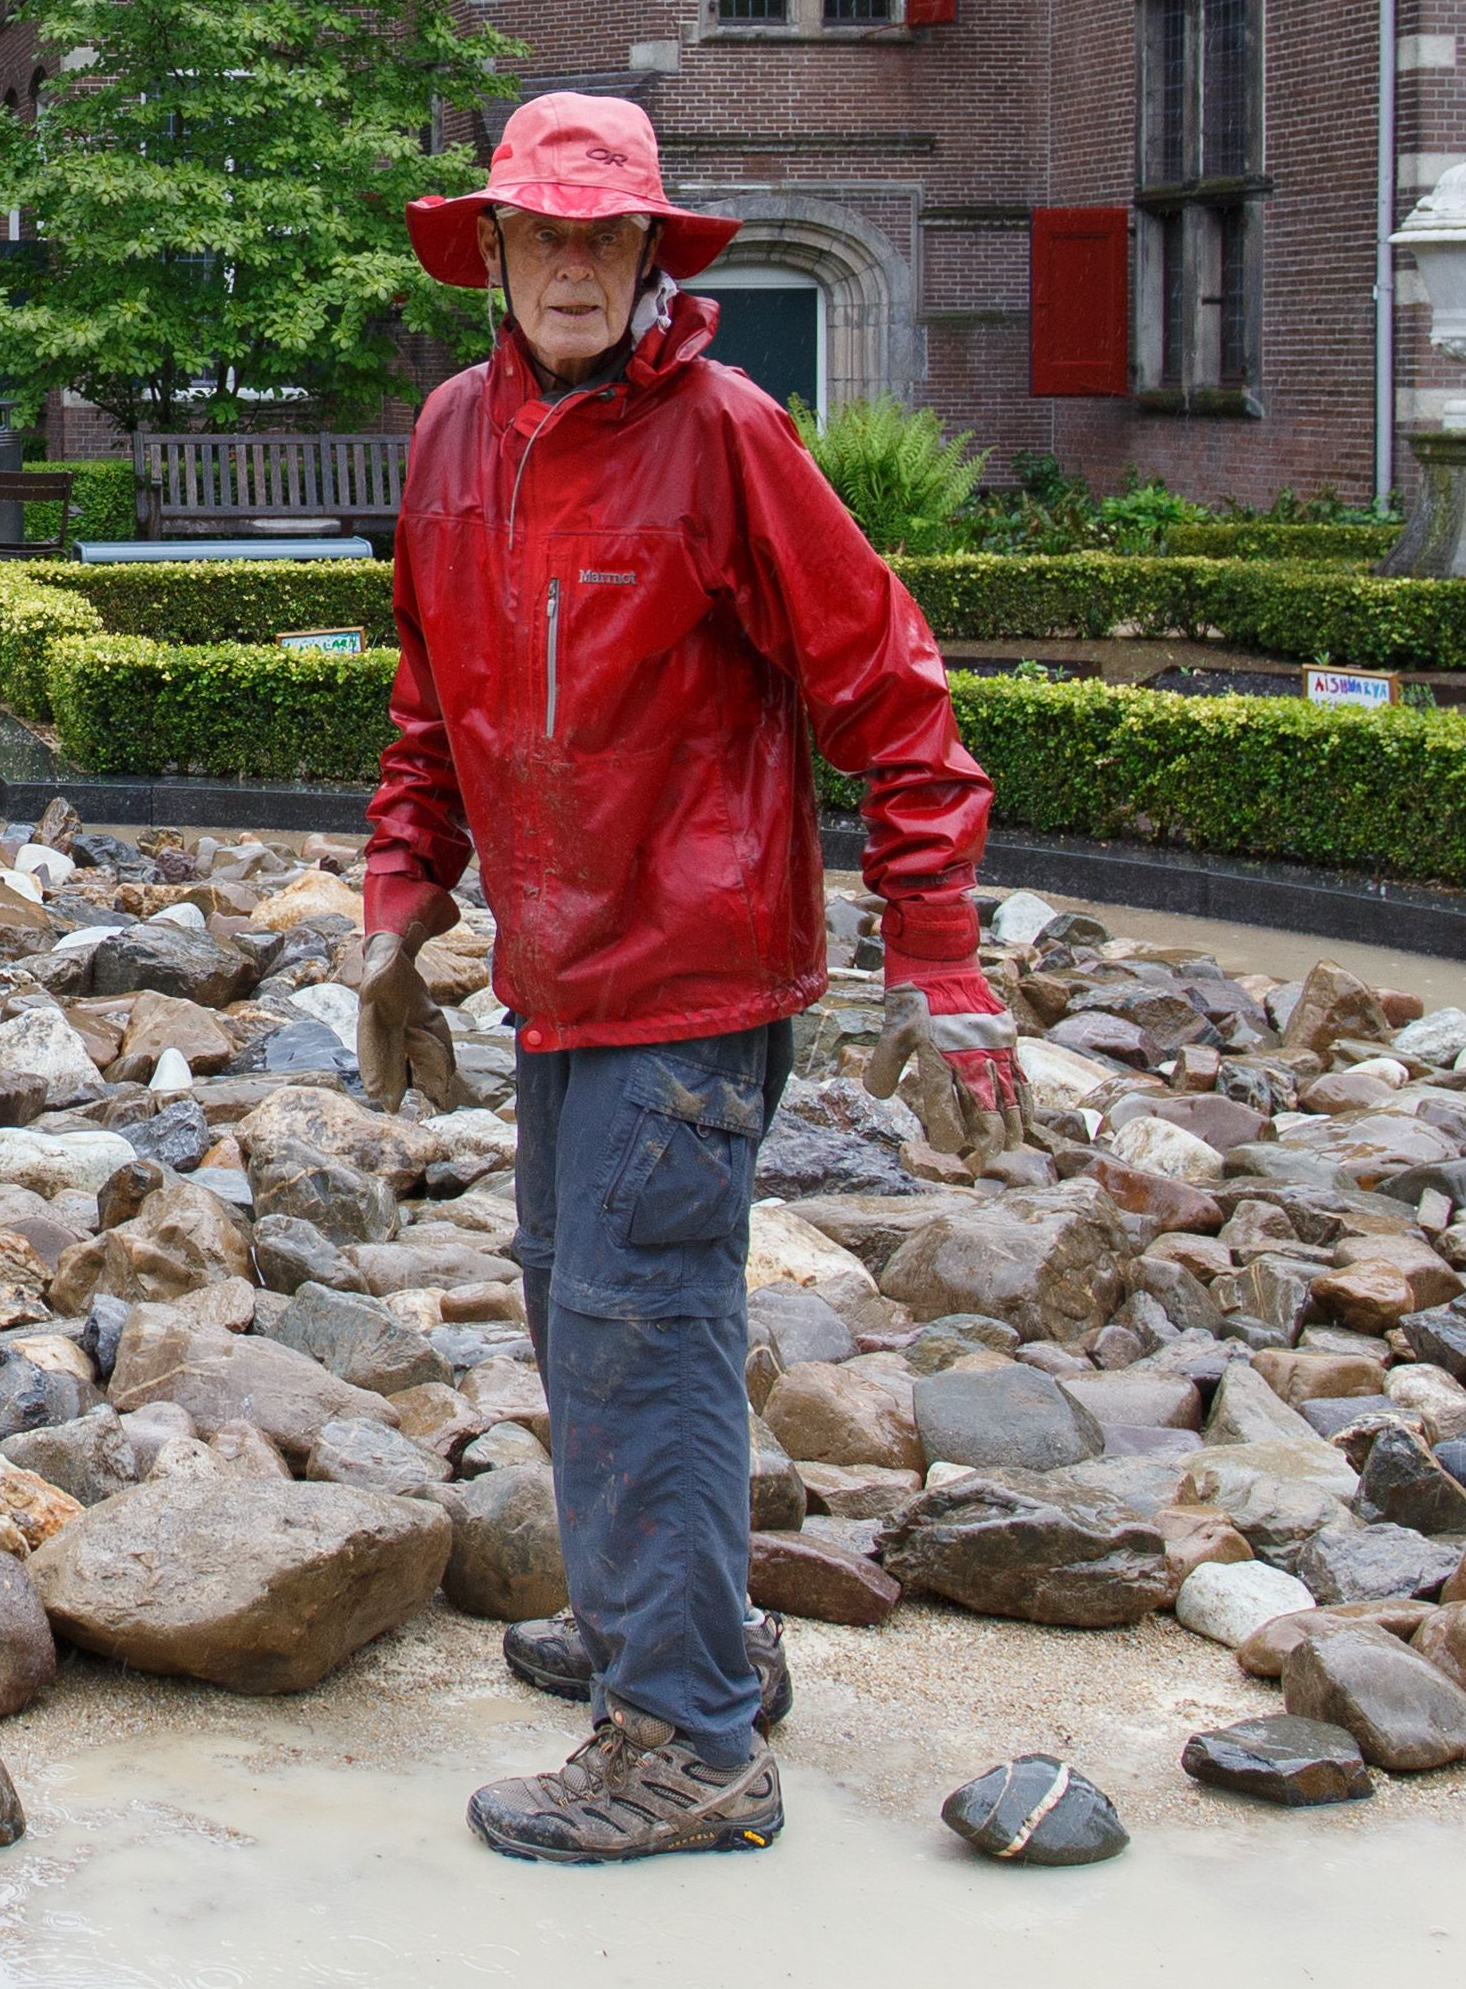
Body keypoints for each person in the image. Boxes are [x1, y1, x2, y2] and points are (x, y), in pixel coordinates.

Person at [346, 90, 1013, 1865]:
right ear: (487, 250)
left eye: (605, 234)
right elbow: (430, 707)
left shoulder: (725, 434)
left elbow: (899, 698)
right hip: (559, 972)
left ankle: (689, 1742)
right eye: (542, 233)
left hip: (697, 972)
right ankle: (682, 1624)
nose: (573, 263)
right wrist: (400, 912)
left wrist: (937, 959)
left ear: (650, 256)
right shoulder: (449, 437)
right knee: (586, 1298)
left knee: (639, 1333)